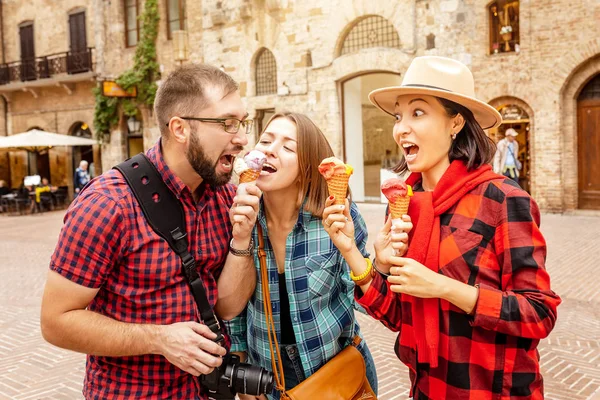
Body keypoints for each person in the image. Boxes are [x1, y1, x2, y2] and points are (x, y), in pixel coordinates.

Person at [326, 56, 561, 399]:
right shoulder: (407, 202)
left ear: (456, 123)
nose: (400, 128)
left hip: (495, 391)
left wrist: (444, 288)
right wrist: (351, 251)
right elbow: (397, 315)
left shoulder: (502, 199)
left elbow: (538, 314)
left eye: (417, 113)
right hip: (428, 389)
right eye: (398, 116)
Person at [40, 64, 261, 399]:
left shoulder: (226, 198)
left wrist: (241, 239)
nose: (243, 138)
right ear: (180, 129)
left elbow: (227, 308)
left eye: (243, 123)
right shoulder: (107, 204)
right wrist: (159, 339)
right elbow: (55, 322)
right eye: (228, 123)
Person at [226, 112, 377, 400]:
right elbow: (236, 309)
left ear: (308, 166)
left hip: (339, 374)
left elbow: (367, 304)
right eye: (266, 140)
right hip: (266, 382)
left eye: (287, 146)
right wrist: (241, 367)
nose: (270, 149)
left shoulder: (335, 216)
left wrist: (367, 257)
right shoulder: (242, 216)